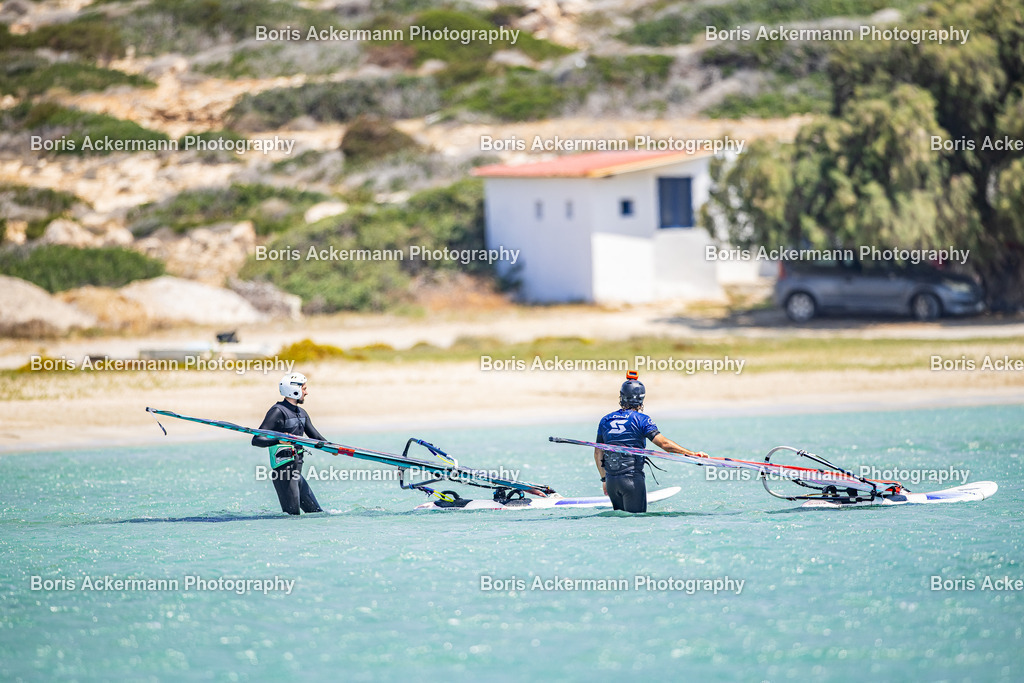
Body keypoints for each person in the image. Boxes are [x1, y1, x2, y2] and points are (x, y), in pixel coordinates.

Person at [595, 370, 707, 513]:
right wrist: (691, 453)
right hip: (632, 480)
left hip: (612, 481)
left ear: (621, 397)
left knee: (620, 519)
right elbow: (664, 444)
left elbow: (598, 452)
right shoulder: (642, 420)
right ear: (641, 400)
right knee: (637, 521)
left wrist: (604, 479)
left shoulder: (605, 420)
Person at [251, 372, 325, 515]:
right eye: (304, 389)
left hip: (296, 473)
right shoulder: (277, 411)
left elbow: (315, 437)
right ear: (294, 390)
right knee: (292, 518)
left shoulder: (301, 413)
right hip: (283, 474)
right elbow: (257, 439)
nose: (306, 393)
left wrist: (333, 448)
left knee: (317, 514)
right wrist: (278, 440)